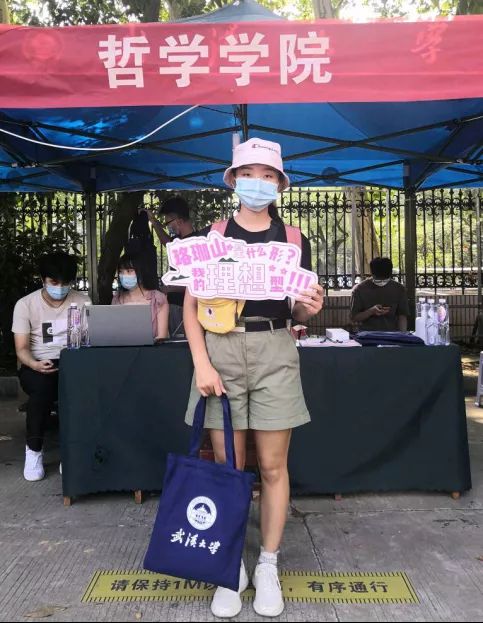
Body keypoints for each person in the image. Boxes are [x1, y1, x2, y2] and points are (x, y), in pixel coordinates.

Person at [183, 138, 324, 618]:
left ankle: (267, 564)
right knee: (229, 467)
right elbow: (191, 306)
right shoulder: (214, 234)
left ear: (280, 185)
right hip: (220, 349)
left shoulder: (294, 238)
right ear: (233, 181)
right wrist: (201, 363)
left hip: (275, 349)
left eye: (268, 176)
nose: (257, 183)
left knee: (273, 466)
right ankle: (229, 566)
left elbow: (297, 306)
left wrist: (309, 307)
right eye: (249, 174)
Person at [12, 251, 90, 482]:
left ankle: (71, 452)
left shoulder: (82, 301)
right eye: (54, 282)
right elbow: (21, 348)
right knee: (42, 390)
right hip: (37, 363)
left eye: (65, 283)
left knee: (78, 391)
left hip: (73, 360)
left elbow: (89, 339)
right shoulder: (25, 305)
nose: (60, 288)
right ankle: (34, 451)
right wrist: (34, 364)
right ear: (43, 280)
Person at [145, 196, 194, 337]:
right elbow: (166, 242)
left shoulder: (195, 244)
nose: (168, 227)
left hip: (185, 307)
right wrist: (153, 221)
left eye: (168, 223)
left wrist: (168, 288)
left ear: (178, 221)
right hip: (174, 306)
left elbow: (196, 283)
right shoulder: (179, 241)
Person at [112, 253, 168, 340]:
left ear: (141, 272)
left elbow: (162, 336)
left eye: (129, 271)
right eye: (121, 272)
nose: (124, 275)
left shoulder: (158, 298)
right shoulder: (117, 298)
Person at [351, 257, 409, 331]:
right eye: (378, 279)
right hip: (367, 335)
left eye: (385, 280)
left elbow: (402, 316)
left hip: (392, 334)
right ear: (372, 273)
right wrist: (371, 311)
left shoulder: (399, 289)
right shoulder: (359, 289)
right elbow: (354, 317)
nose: (382, 282)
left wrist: (403, 335)